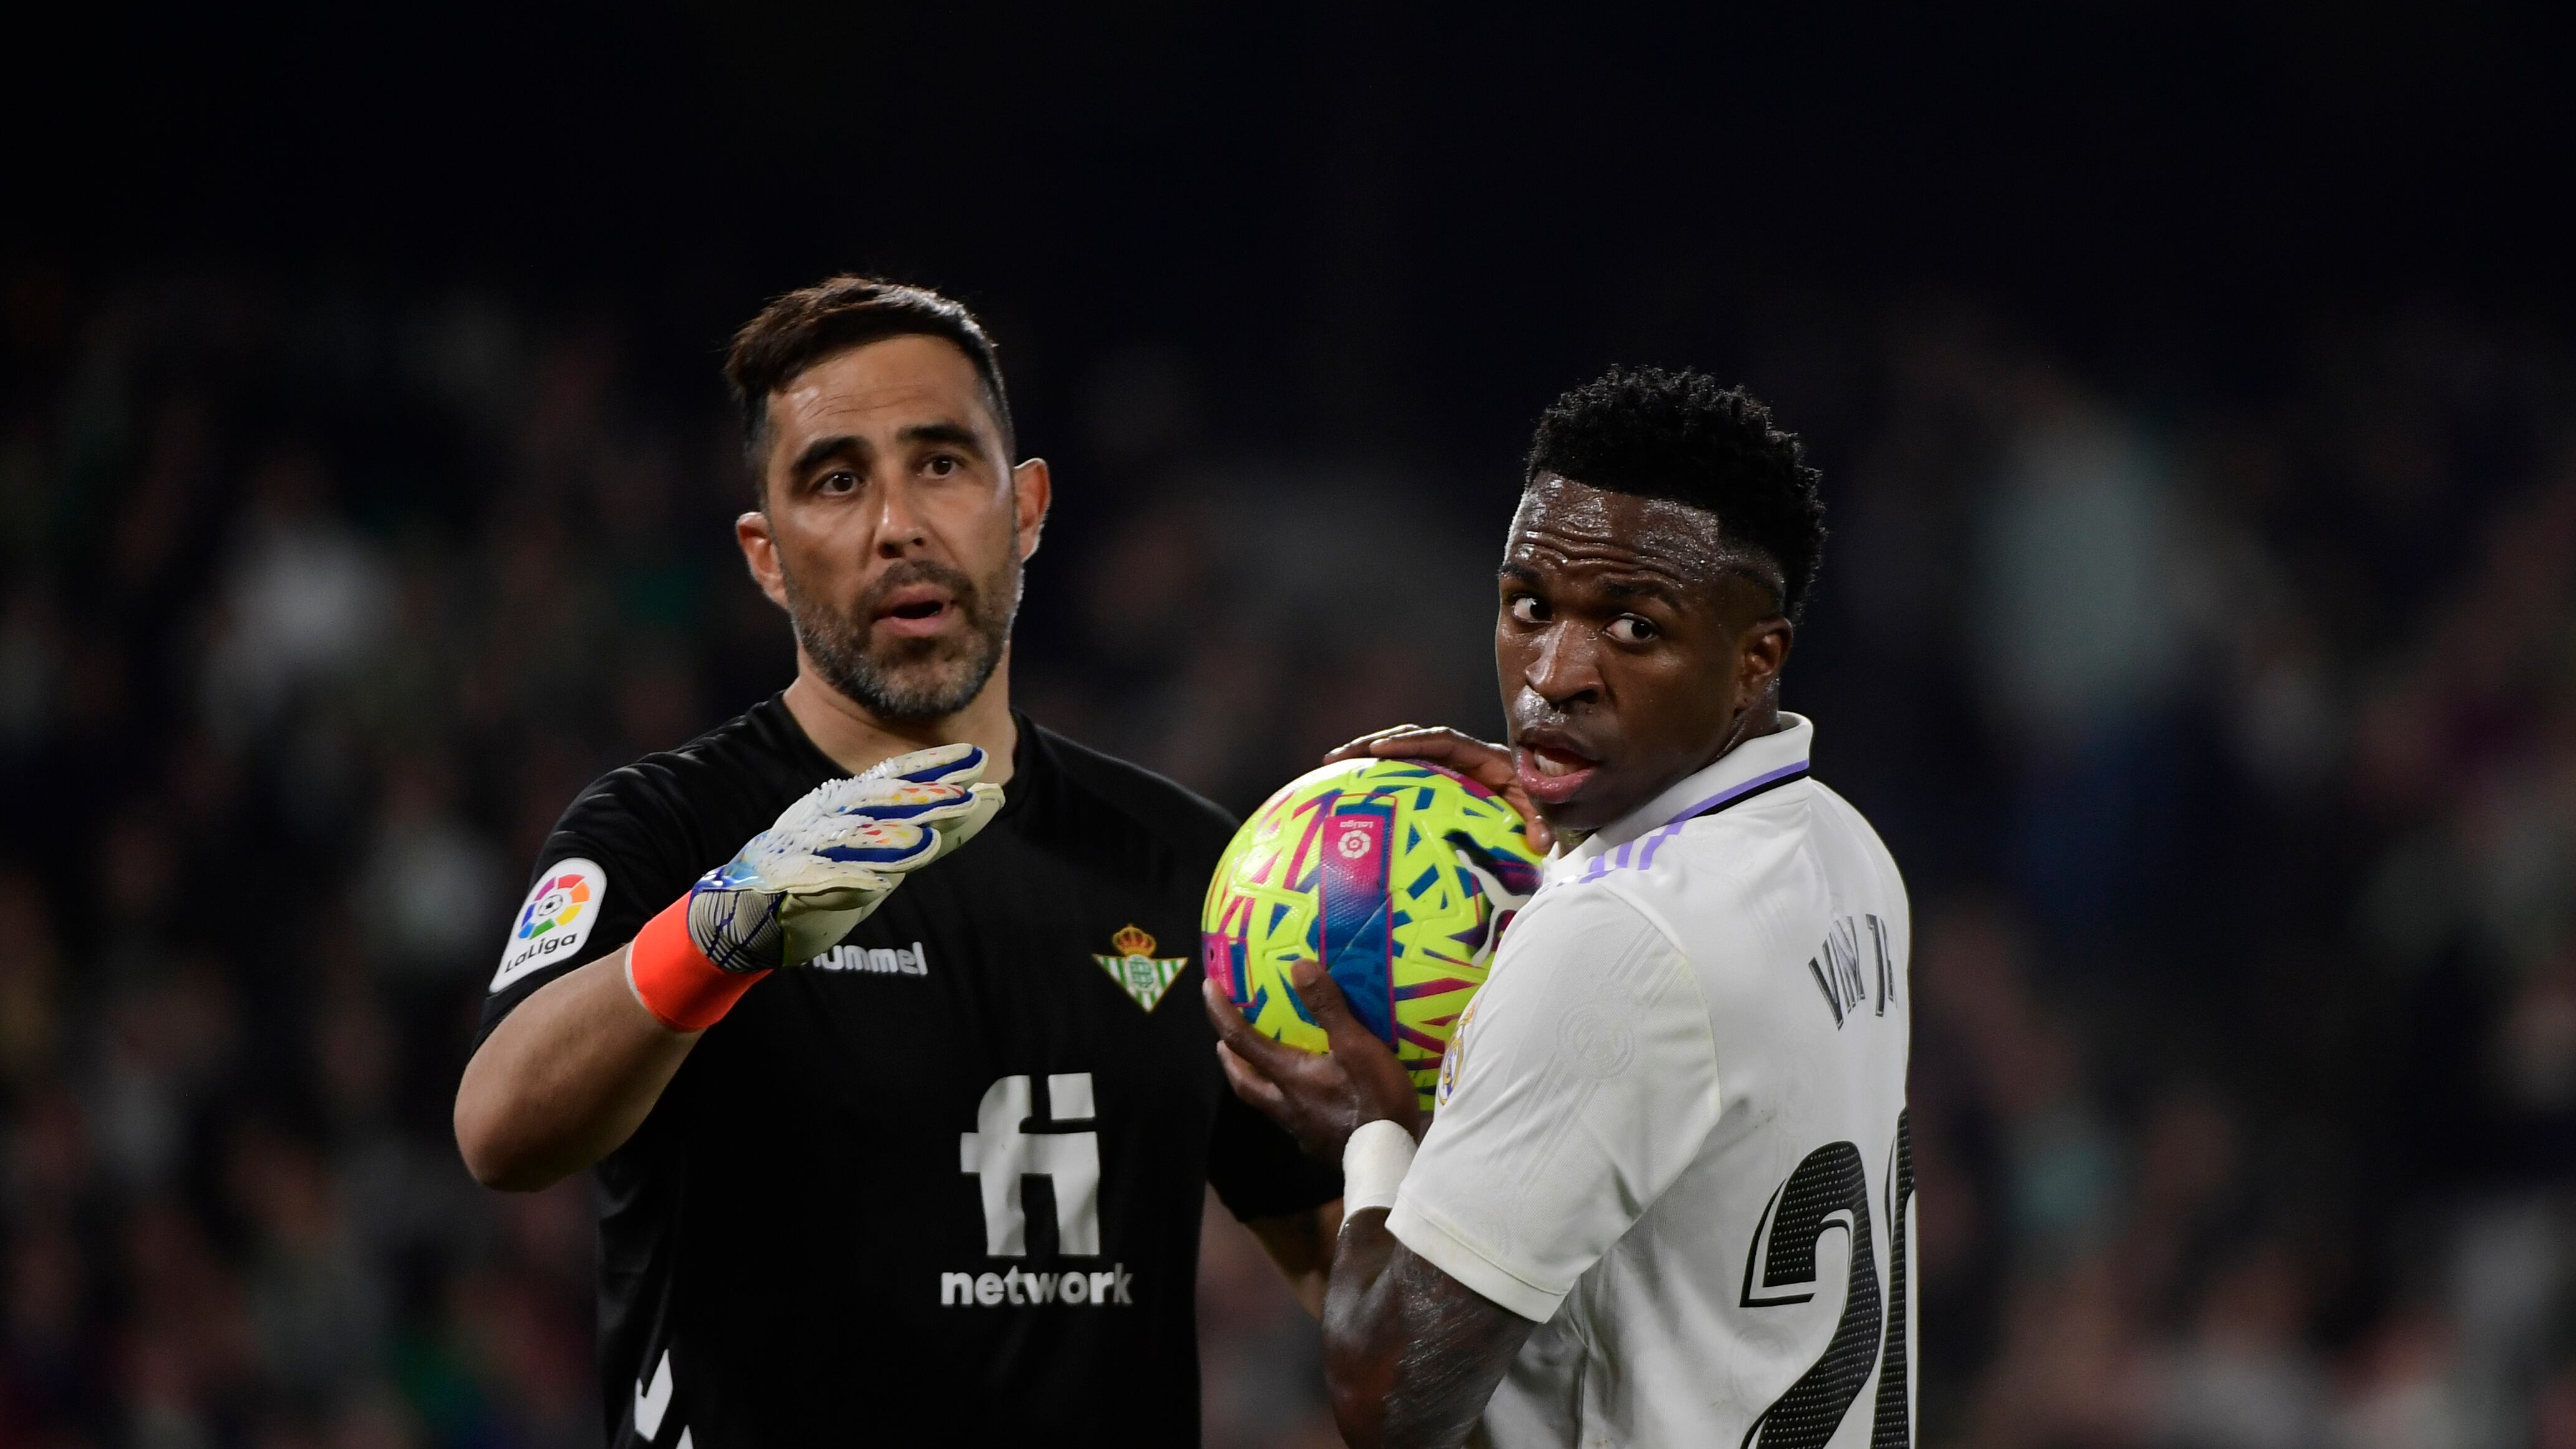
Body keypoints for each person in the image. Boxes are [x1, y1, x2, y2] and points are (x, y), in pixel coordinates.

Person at [452, 277, 1340, 1448]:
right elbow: (499, 1129)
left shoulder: (1189, 863)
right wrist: (718, 934)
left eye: (940, 463)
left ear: (1024, 508)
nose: (896, 526)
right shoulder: (670, 830)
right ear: (765, 556)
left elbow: (1341, 1284)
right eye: (835, 479)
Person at [1206, 367, 1912, 1447]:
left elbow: (1385, 1398)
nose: (1553, 675)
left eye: (1633, 629)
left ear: (1755, 660)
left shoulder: (1611, 939)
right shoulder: (1847, 849)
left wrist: (1380, 1138)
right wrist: (1591, 813)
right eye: (1529, 605)